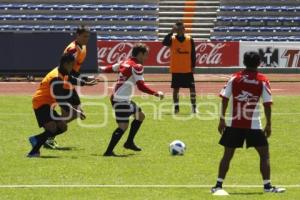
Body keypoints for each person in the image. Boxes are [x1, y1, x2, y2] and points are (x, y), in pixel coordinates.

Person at [211, 52, 286, 194]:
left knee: (227, 155)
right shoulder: (262, 80)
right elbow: (267, 104)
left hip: (234, 123)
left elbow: (224, 98)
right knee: (264, 155)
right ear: (259, 63)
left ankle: (218, 185)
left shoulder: (234, 78)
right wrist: (269, 124)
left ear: (244, 62)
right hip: (254, 125)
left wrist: (221, 119)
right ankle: (267, 186)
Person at [100, 43, 164, 156]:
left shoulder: (124, 62)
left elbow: (108, 68)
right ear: (140, 54)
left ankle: (129, 142)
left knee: (141, 116)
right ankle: (108, 152)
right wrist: (156, 93)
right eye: (145, 55)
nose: (146, 58)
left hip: (122, 98)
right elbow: (141, 86)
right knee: (123, 127)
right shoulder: (137, 66)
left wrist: (99, 69)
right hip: (121, 100)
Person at [28, 53, 97, 157]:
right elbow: (60, 100)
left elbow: (70, 78)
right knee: (52, 129)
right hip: (41, 103)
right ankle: (33, 152)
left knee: (62, 127)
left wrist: (85, 83)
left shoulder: (62, 71)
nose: (73, 67)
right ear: (66, 64)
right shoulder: (55, 77)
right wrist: (75, 111)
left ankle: (36, 139)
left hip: (48, 103)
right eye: (72, 64)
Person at [44, 25, 92, 149]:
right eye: (85, 36)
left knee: (73, 113)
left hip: (69, 84)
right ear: (78, 35)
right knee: (74, 113)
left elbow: (74, 69)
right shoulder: (72, 50)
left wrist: (84, 79)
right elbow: (66, 69)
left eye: (88, 36)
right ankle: (48, 135)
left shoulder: (83, 47)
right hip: (64, 83)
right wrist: (83, 80)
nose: (87, 38)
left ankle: (49, 135)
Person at [162, 20, 197, 114]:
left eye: (182, 28)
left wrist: (193, 66)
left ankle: (194, 108)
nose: (181, 30)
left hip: (187, 68)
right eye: (178, 29)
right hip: (176, 68)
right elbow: (164, 43)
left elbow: (193, 54)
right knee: (176, 89)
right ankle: (176, 108)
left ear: (184, 29)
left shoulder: (190, 39)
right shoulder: (172, 39)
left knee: (192, 89)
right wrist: (171, 32)